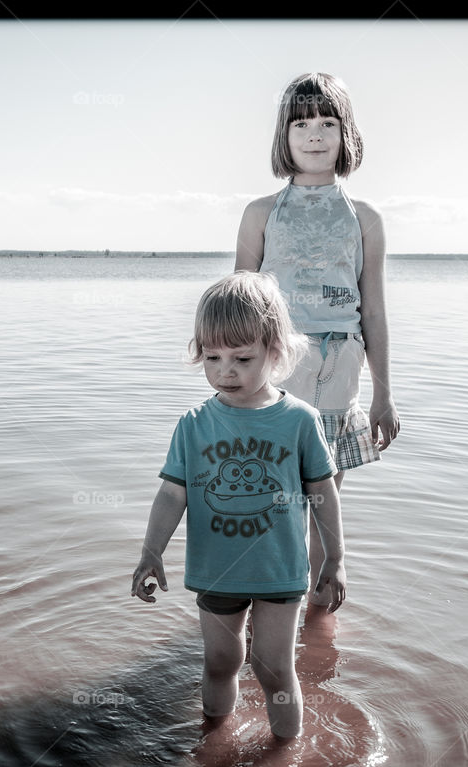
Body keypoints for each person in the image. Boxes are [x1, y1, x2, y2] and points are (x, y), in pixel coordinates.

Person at [130, 272, 345, 739]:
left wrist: (336, 558)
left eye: (242, 358)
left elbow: (323, 493)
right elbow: (172, 494)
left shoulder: (300, 421)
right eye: (212, 357)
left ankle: (285, 757)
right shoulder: (193, 425)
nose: (226, 370)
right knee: (221, 661)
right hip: (216, 570)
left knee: (274, 670)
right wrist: (151, 551)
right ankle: (213, 745)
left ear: (275, 352)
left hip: (279, 572)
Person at [234, 72, 399, 609]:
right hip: (278, 365)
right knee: (268, 491)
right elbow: (240, 304)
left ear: (345, 134)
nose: (314, 134)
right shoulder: (260, 213)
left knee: (324, 490)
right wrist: (233, 380)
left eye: (328, 122)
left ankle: (324, 604)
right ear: (284, 135)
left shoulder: (365, 218)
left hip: (340, 365)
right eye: (301, 123)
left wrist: (384, 393)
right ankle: (268, 601)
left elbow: (372, 309)